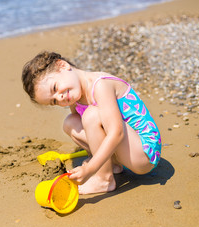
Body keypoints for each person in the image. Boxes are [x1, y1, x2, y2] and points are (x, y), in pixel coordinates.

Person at [22, 51, 162, 194]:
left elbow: (117, 132)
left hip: (144, 153)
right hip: (127, 148)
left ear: (62, 65)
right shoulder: (74, 96)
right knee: (71, 123)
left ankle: (104, 179)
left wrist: (90, 169)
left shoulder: (100, 85)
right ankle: (112, 165)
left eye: (55, 88)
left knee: (91, 115)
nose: (61, 97)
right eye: (54, 101)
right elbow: (89, 130)